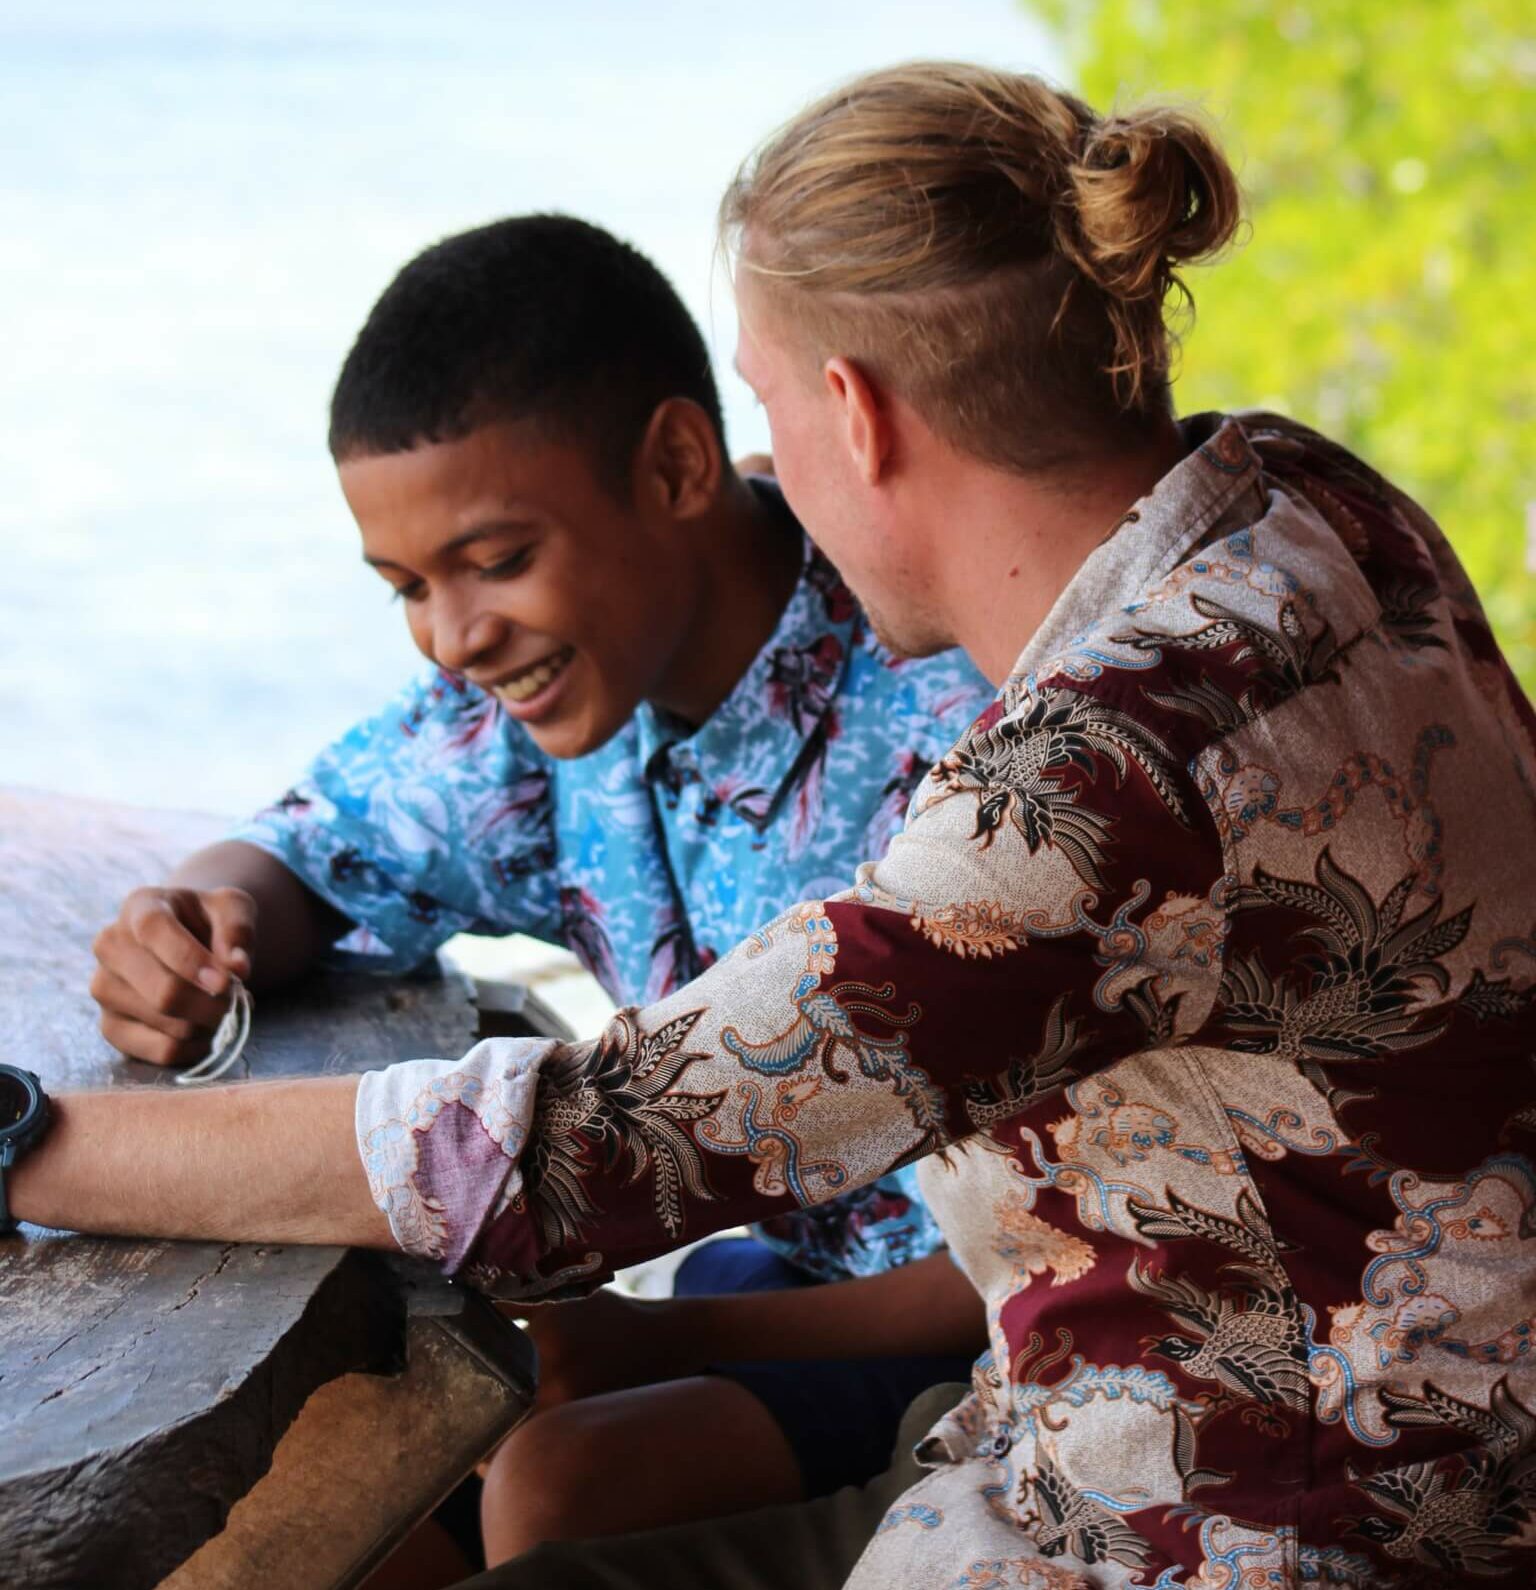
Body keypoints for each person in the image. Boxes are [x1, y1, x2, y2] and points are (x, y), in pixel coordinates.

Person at [14, 60, 1536, 1589]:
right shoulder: (1300, 504)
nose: (761, 470)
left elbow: (591, 1151)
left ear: (851, 415)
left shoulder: (1079, 789)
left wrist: (35, 1144)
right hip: (1269, 1419)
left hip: (1268, 1519)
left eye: (761, 399)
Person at [83, 216, 991, 1569]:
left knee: (562, 1479)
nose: (453, 639)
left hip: (972, 1341)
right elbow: (309, 846)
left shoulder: (948, 728)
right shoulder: (531, 721)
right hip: (764, 1280)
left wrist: (669, 1336)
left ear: (680, 464)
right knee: (353, 1515)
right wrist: (197, 923)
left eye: (497, 562)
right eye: (405, 587)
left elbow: (1020, 1260)